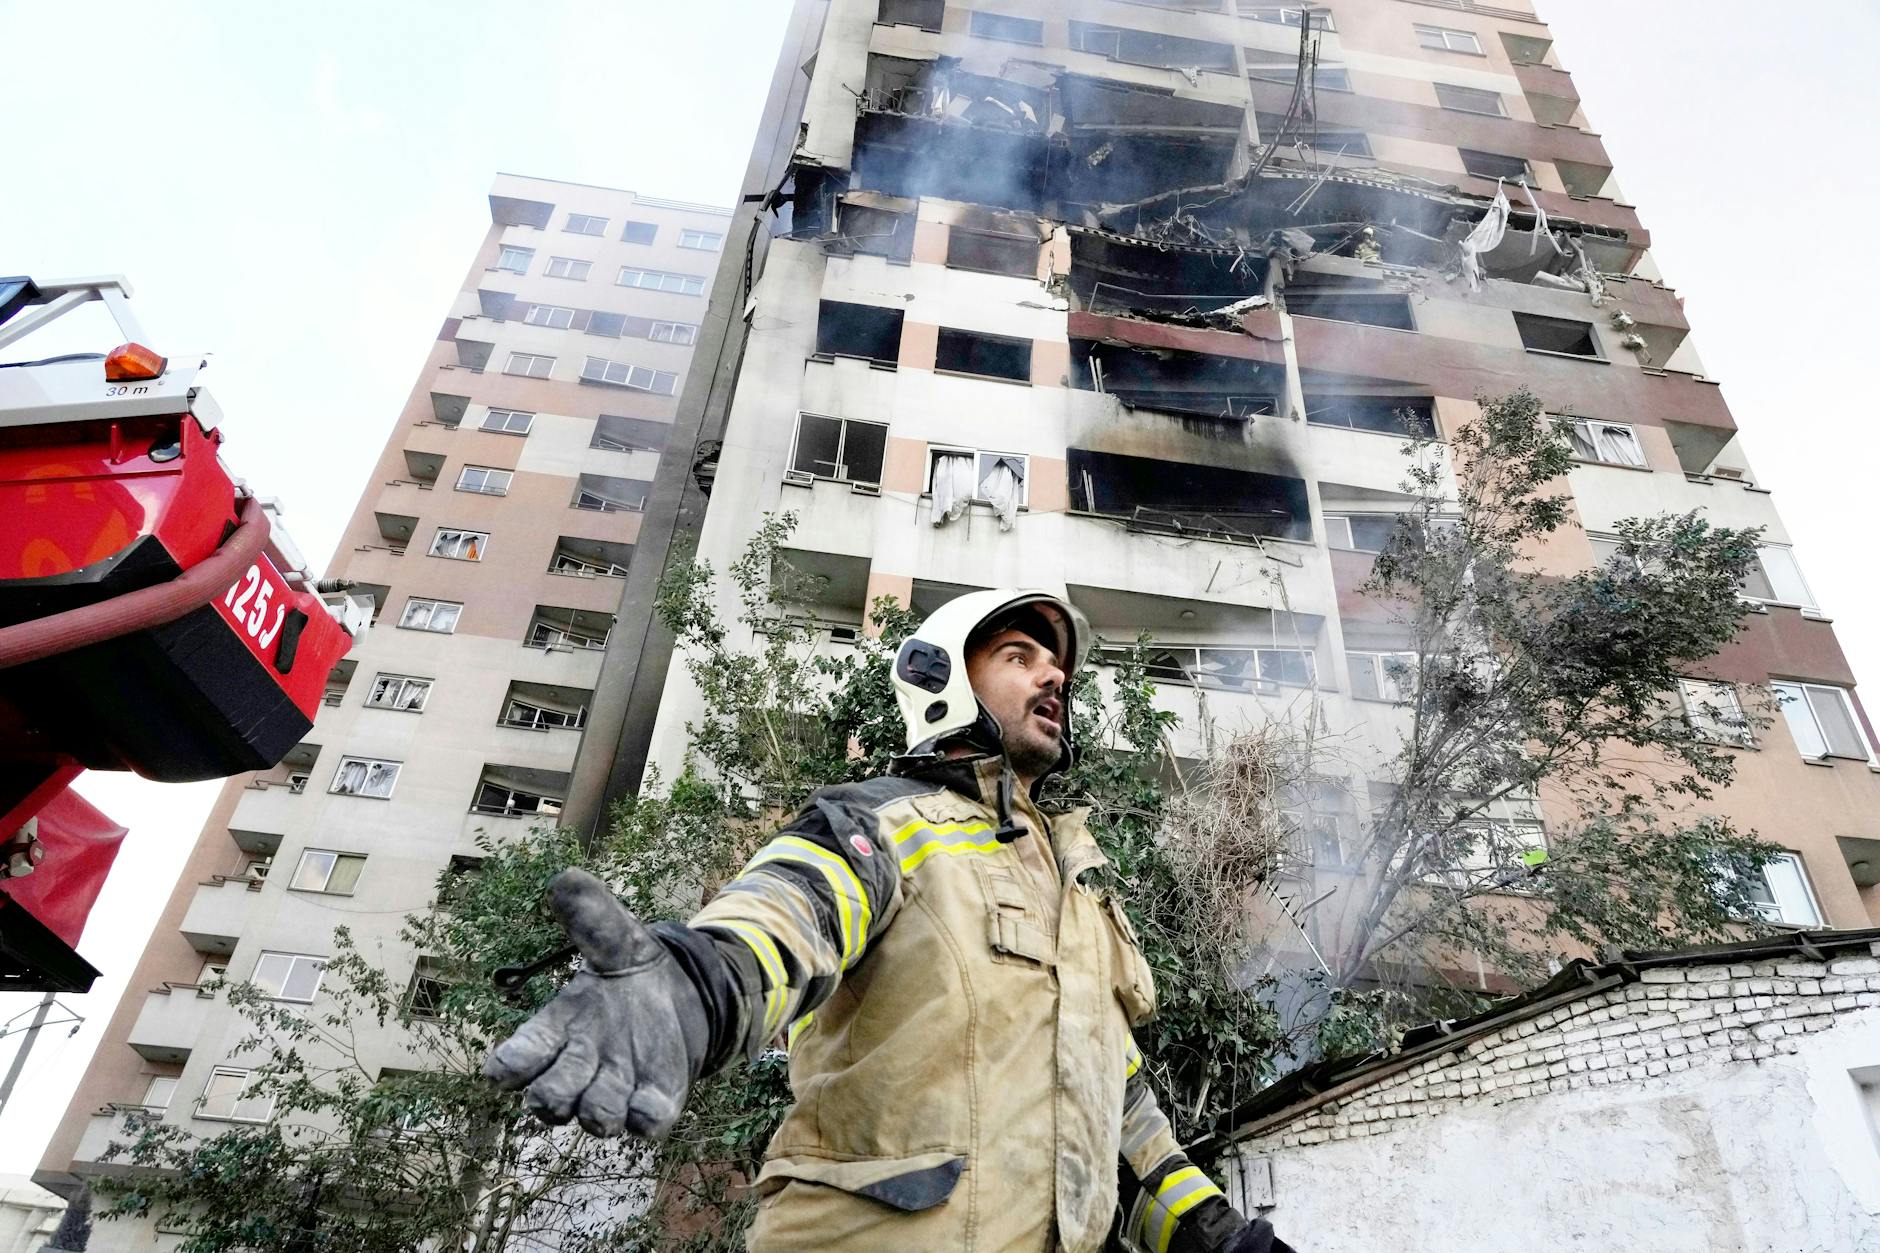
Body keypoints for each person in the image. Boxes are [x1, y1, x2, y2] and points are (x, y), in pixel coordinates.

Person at [485, 589, 1297, 1253]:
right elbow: (790, 912)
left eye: (1057, 667)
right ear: (943, 678)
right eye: (1019, 656)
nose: (1053, 676)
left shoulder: (1079, 893)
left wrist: (1221, 1237)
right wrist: (691, 987)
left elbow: (1118, 1116)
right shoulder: (884, 822)